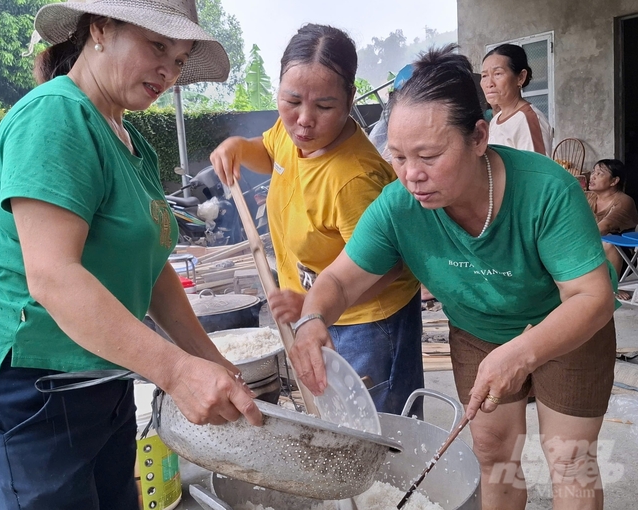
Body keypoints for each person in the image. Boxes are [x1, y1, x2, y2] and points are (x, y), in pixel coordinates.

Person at [0, 1, 262, 509]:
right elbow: (54, 276)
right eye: (157, 46)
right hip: (26, 386)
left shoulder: (129, 139)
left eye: (181, 59)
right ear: (99, 29)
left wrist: (208, 358)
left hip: (100, 374)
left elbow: (152, 269)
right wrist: (175, 371)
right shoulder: (55, 117)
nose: (169, 69)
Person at [292, 45, 616, 510]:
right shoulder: (398, 205)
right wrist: (312, 319)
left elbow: (591, 297)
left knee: (570, 458)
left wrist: (521, 353)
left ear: (479, 136)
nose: (412, 176)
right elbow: (340, 281)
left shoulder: (547, 191)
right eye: (399, 157)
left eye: (429, 155)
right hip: (479, 330)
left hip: (567, 328)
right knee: (492, 453)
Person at [210, 24, 423, 416]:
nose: (304, 120)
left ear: (348, 100)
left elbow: (388, 267)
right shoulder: (293, 136)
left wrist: (313, 305)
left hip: (365, 323)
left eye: (324, 107)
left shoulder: (355, 179)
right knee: (333, 418)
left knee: (375, 430)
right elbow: (269, 150)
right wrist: (239, 147)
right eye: (292, 100)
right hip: (313, 311)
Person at [481, 43, 553, 157]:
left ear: (520, 77)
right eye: (484, 76)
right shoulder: (496, 120)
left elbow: (537, 171)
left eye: (498, 73)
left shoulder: (527, 120)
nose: (489, 84)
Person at [586, 158, 638, 286]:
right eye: (593, 172)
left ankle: (612, 286)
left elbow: (604, 227)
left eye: (600, 174)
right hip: (591, 247)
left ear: (614, 181)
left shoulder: (624, 201)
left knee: (607, 242)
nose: (593, 176)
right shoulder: (587, 197)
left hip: (621, 253)